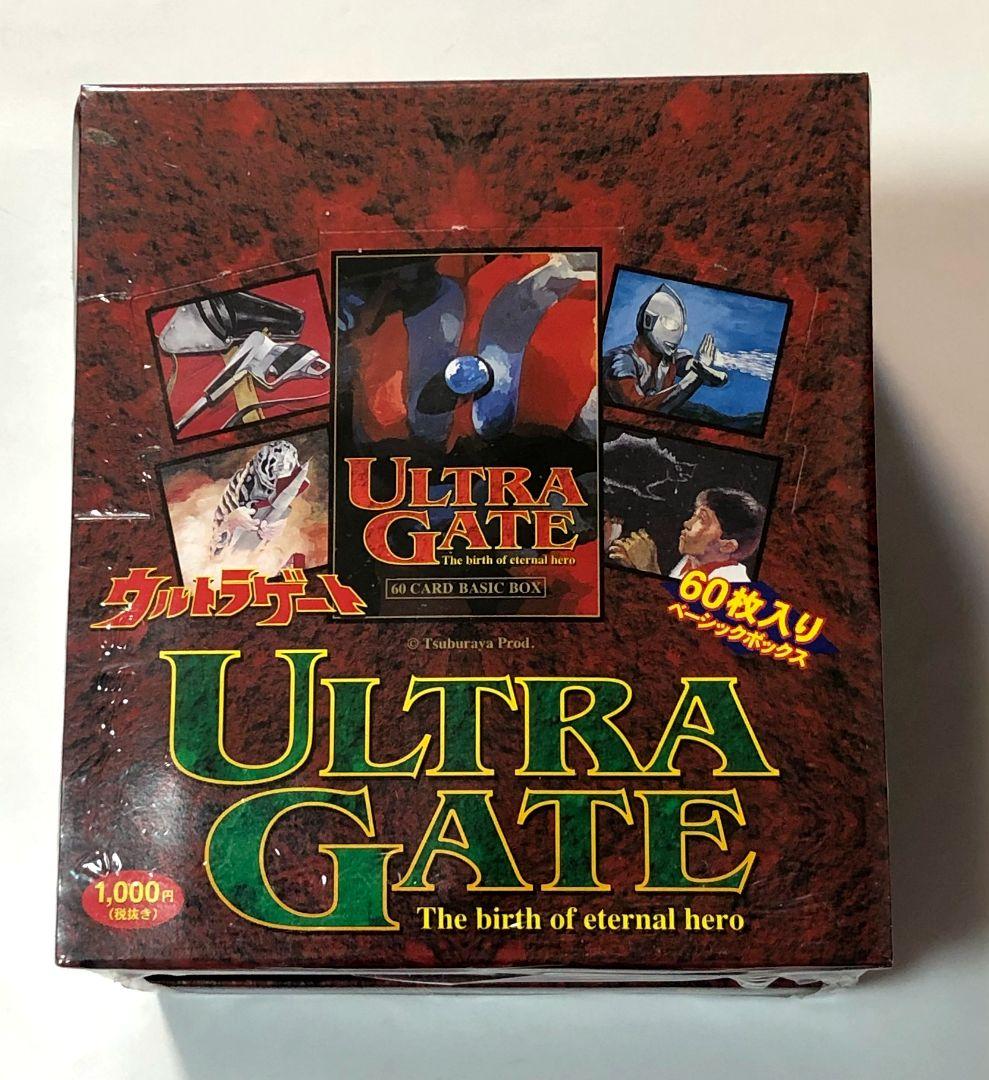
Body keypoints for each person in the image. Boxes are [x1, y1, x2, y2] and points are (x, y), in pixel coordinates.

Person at [604, 283, 728, 412]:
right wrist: (696, 376)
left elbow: (689, 364)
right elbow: (639, 411)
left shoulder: (669, 358)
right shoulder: (620, 362)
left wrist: (704, 369)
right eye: (670, 324)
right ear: (648, 321)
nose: (678, 334)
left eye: (683, 328)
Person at [608, 488, 765, 582]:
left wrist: (648, 569)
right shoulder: (691, 561)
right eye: (694, 515)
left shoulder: (731, 584)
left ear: (727, 546)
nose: (687, 523)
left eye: (702, 519)